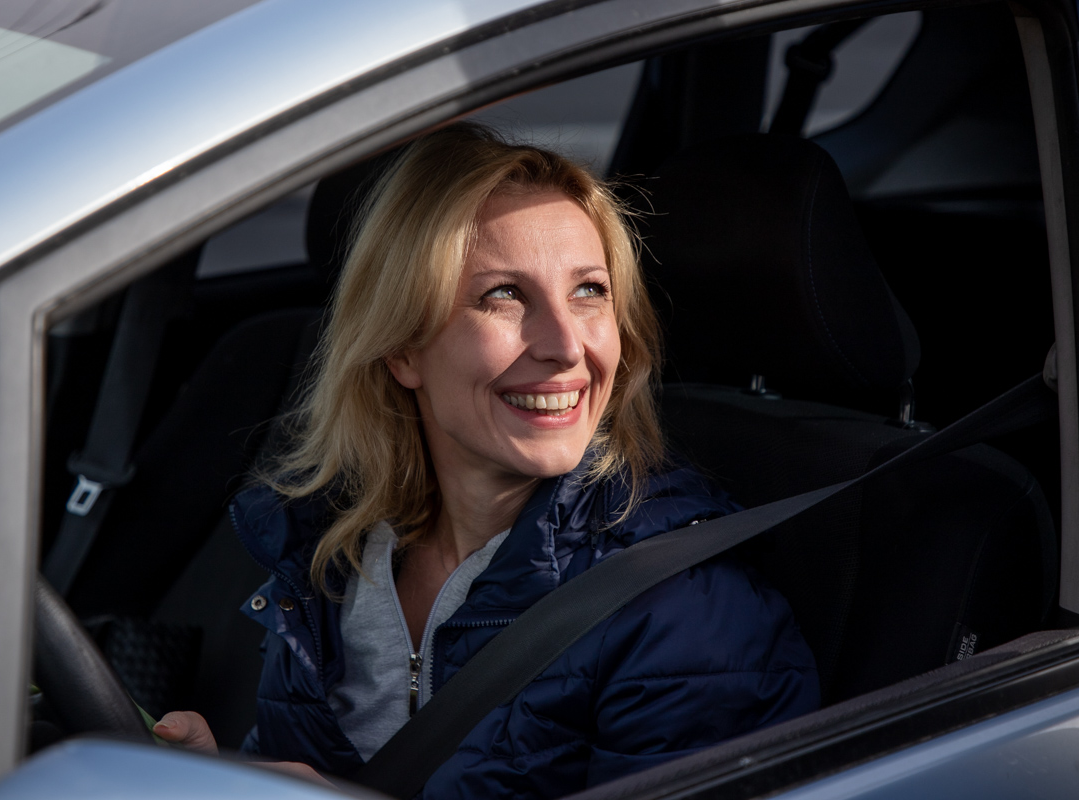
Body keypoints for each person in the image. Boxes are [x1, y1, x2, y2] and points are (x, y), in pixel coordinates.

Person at [153, 123, 819, 796]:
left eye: (589, 290)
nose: (566, 346)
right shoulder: (331, 556)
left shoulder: (684, 613)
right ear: (403, 350)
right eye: (504, 294)